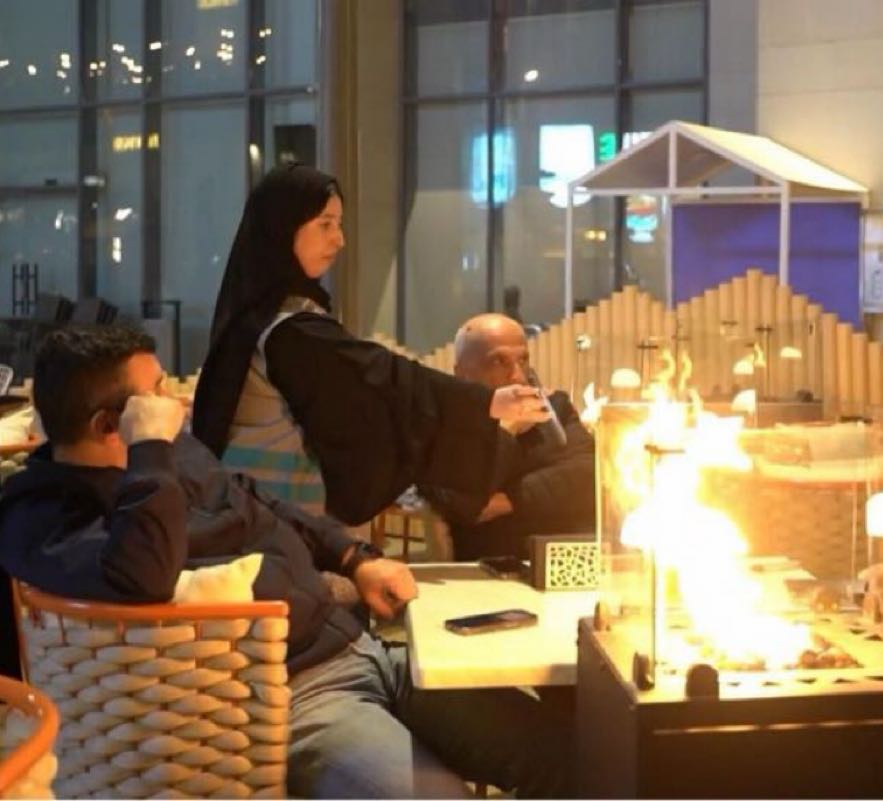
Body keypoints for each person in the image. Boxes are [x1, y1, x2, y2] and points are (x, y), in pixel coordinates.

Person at [0, 326, 574, 798]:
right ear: (111, 425)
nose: (172, 405)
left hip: (365, 648)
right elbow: (140, 575)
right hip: (294, 697)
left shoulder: (179, 452)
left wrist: (354, 557)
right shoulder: (43, 516)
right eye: (155, 395)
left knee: (573, 753)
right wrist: (148, 451)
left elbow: (259, 502)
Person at [191, 164, 546, 527]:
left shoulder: (258, 314)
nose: (339, 240)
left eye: (339, 224)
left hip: (252, 513)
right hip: (277, 526)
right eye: (325, 224)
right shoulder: (289, 330)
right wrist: (486, 403)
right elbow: (383, 378)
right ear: (283, 228)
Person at [420, 313, 594, 561]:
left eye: (523, 360)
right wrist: (505, 431)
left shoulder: (556, 406)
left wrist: (509, 500)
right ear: (462, 373)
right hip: (492, 565)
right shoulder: (441, 426)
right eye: (498, 361)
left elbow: (589, 473)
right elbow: (465, 506)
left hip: (572, 558)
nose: (518, 377)